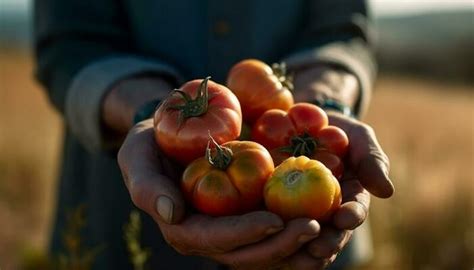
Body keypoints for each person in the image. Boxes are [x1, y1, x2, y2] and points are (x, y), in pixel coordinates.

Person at [34, 0, 394, 269]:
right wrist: (150, 113)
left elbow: (345, 33)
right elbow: (68, 43)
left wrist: (326, 101)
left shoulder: (296, 139)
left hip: (316, 237)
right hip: (117, 221)